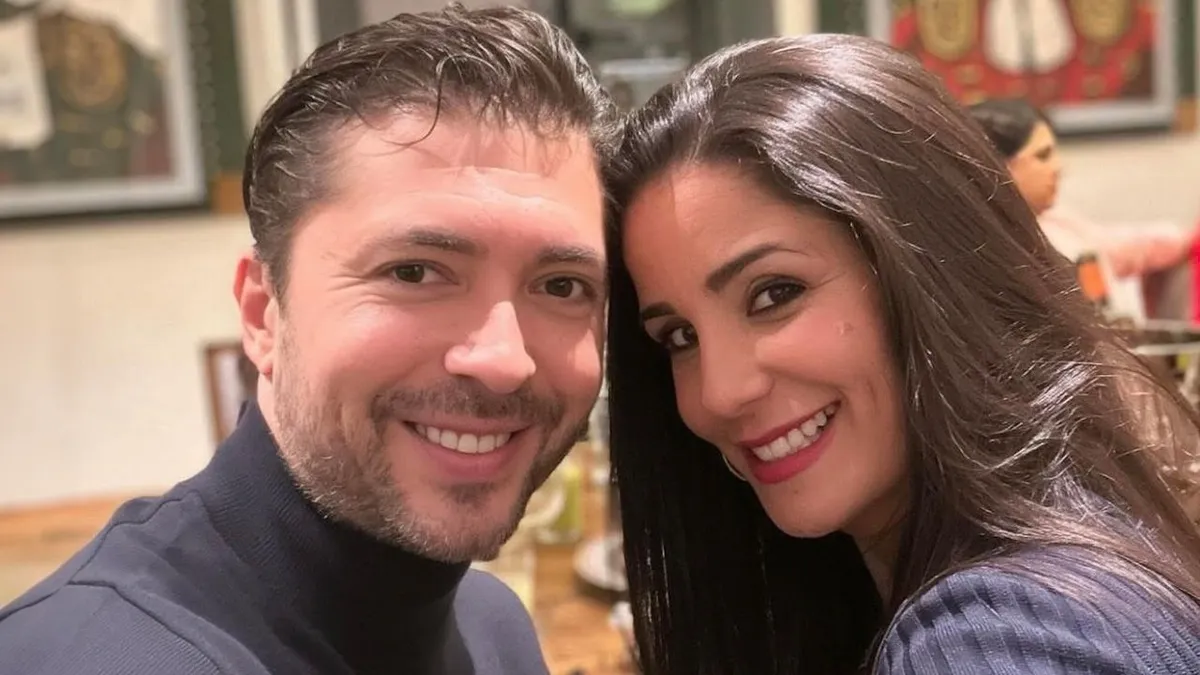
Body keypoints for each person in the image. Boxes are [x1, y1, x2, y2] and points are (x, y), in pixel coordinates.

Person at [0, 5, 616, 674]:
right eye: (413, 272)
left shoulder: (491, 622)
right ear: (263, 312)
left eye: (562, 285)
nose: (503, 360)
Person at [603, 33, 1200, 674]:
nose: (720, 394)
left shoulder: (982, 643)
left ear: (937, 271)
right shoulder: (1082, 538)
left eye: (775, 293)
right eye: (680, 337)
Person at [968, 98, 1196, 318]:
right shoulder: (990, 251)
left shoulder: (1058, 223)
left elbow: (1122, 249)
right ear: (998, 168)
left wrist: (1187, 239)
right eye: (1043, 156)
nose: (1058, 168)